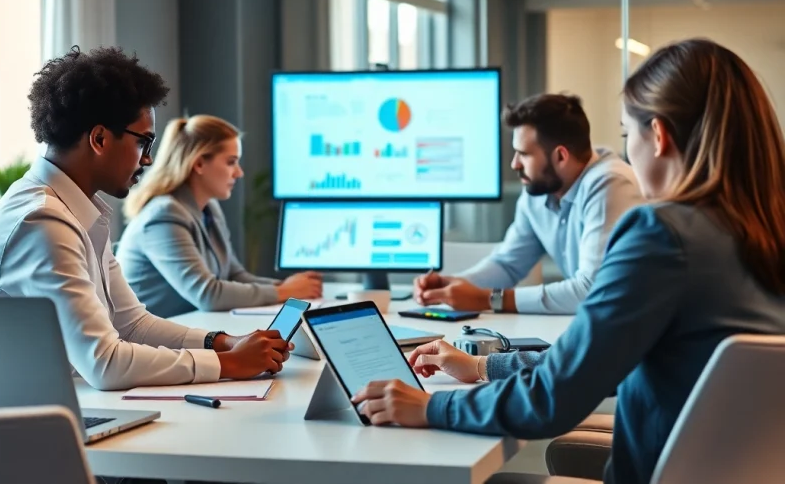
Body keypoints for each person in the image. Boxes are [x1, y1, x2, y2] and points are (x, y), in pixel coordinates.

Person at [351, 39, 785, 484]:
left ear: (658, 135)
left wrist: (430, 406)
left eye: (625, 134)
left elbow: (554, 398)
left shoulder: (662, 234)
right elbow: (596, 362)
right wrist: (484, 366)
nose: (626, 153)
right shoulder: (763, 233)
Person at [0, 46, 289, 391]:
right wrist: (227, 363)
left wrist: (221, 342)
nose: (147, 160)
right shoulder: (41, 220)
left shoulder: (74, 210)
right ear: (99, 139)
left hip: (37, 401)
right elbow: (105, 364)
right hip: (4, 418)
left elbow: (132, 325)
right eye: (144, 143)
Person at [413, 93, 641, 314]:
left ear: (561, 156)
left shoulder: (610, 185)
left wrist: (488, 299)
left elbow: (591, 289)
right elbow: (508, 264)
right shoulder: (541, 190)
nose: (514, 164)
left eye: (524, 154)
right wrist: (451, 285)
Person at [117, 115, 322, 318]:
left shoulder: (209, 208)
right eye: (231, 162)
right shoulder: (163, 216)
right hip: (147, 343)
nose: (239, 173)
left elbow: (234, 275)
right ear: (199, 164)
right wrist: (285, 291)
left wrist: (289, 286)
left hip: (188, 327)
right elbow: (208, 294)